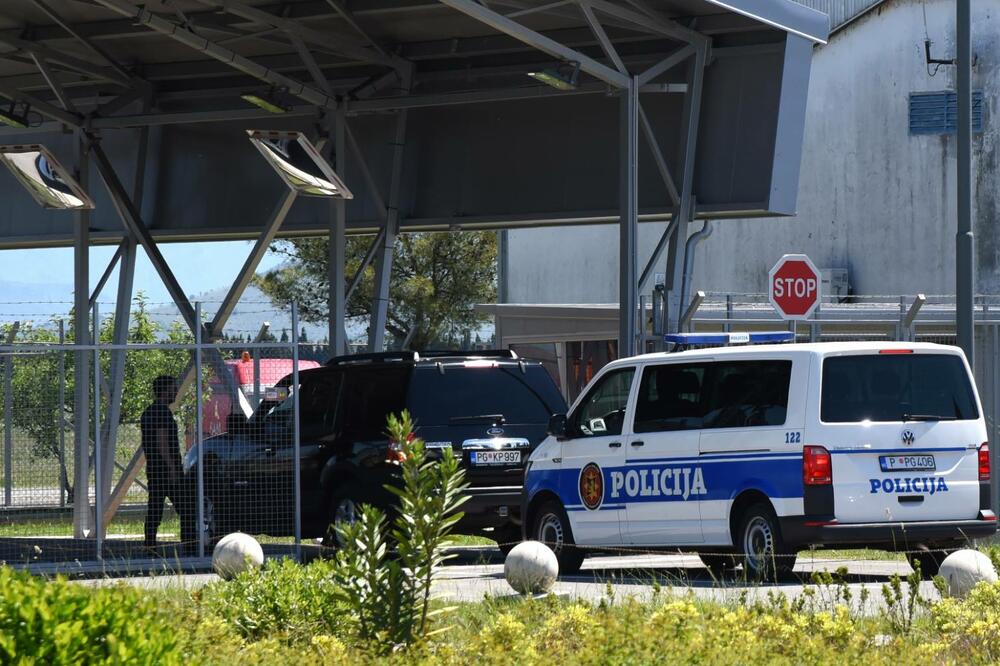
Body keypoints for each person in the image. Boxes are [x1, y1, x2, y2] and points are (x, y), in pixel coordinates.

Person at [140, 375, 195, 553]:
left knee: (155, 508)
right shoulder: (162, 413)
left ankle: (150, 545)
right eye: (173, 389)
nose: (176, 392)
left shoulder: (148, 412)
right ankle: (189, 545)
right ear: (165, 390)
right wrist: (172, 468)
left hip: (154, 469)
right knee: (187, 508)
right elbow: (162, 442)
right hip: (167, 470)